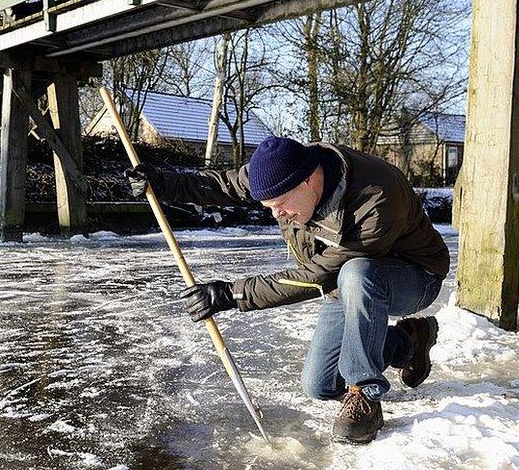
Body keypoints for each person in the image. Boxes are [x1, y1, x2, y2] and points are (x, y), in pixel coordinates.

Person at [125, 136, 450, 443]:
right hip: (346, 284)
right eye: (267, 206)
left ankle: (364, 394)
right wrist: (163, 183)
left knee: (357, 272)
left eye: (280, 204)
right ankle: (408, 342)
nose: (276, 214)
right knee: (319, 385)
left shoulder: (376, 197)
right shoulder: (279, 170)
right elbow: (220, 184)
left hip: (415, 277)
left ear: (310, 179)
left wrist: (231, 294)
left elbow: (319, 275)